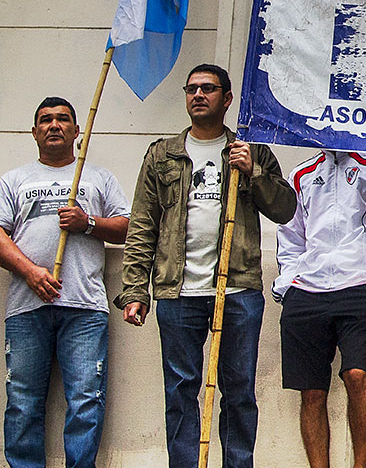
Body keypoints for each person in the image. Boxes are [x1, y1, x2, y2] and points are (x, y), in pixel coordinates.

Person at [115, 64, 296, 468]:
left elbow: (285, 209)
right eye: (192, 88)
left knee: (238, 390)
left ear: (227, 99)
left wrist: (254, 172)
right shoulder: (163, 154)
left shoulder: (253, 150)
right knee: (180, 390)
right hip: (178, 292)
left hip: (237, 291)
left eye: (208, 89)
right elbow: (143, 225)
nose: (198, 95)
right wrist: (134, 291)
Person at [0, 97, 129, 468]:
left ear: (76, 131)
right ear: (34, 132)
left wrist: (87, 222)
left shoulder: (97, 177)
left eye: (62, 120)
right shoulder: (14, 180)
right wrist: (29, 271)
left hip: (84, 307)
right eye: (45, 120)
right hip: (27, 306)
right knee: (23, 401)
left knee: (86, 400)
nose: (53, 125)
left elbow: (126, 227)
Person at [275, 150, 366, 468]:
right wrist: (287, 283)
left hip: (361, 282)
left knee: (357, 376)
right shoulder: (301, 173)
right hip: (308, 288)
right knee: (311, 391)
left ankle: (360, 465)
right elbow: (291, 233)